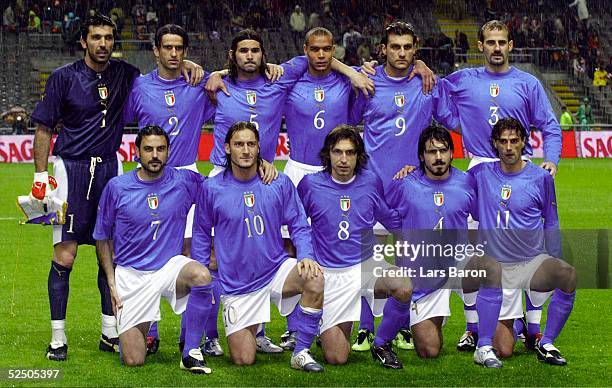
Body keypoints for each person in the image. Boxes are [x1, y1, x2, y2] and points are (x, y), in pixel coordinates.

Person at [29, 13, 202, 361]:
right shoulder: (63, 78)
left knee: (111, 252)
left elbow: (165, 71)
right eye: (96, 37)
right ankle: (58, 337)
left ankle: (110, 331)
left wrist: (189, 63)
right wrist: (39, 175)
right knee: (66, 253)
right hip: (70, 170)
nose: (103, 43)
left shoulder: (126, 75)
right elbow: (44, 128)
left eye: (109, 37)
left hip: (111, 168)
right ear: (84, 41)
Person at [443, 20, 562, 349]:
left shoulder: (528, 83)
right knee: (471, 256)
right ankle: (472, 325)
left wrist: (551, 158)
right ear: (480, 46)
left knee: (525, 251)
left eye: (502, 42)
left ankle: (531, 325)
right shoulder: (464, 79)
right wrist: (463, 126)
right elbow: (435, 94)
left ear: (511, 45)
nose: (496, 47)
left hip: (518, 170)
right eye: (490, 42)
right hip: (480, 172)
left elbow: (549, 125)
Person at [351, 21, 457, 352]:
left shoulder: (427, 83)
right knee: (367, 255)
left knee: (410, 257)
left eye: (408, 47)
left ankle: (403, 324)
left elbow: (452, 120)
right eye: (394, 46)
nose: (401, 53)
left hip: (412, 187)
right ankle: (366, 326)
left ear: (416, 49)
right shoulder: (368, 82)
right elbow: (349, 115)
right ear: (383, 49)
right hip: (372, 183)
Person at [191, 122, 325, 372]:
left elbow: (298, 223)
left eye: (251, 144)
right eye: (239, 144)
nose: (245, 150)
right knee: (243, 358)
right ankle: (250, 329)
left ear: (259, 148)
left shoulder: (278, 183)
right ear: (227, 148)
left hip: (275, 271)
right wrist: (202, 272)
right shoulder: (212, 188)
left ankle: (301, 352)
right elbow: (200, 232)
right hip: (238, 285)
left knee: (314, 276)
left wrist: (306, 255)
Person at [94, 125, 213, 373]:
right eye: (148, 149)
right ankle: (144, 327)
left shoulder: (184, 181)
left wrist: (261, 166)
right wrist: (112, 283)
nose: (155, 155)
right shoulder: (117, 187)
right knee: (134, 359)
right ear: (137, 151)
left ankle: (190, 351)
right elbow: (102, 237)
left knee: (201, 275)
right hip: (132, 275)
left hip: (170, 268)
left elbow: (221, 187)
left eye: (161, 149)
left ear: (169, 151)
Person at [387, 125, 504, 367]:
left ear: (452, 153)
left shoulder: (468, 182)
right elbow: (383, 214)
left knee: (490, 268)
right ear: (421, 156)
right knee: (429, 350)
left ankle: (483, 345)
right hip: (425, 268)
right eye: (431, 152)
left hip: (458, 258)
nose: (438, 157)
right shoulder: (404, 184)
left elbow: (484, 217)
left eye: (443, 150)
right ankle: (435, 316)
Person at [298, 125, 412, 369]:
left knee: (402, 285)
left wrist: (413, 183)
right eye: (337, 152)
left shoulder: (370, 182)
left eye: (350, 153)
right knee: (337, 358)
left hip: (366, 265)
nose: (343, 159)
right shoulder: (310, 185)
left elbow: (389, 216)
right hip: (330, 273)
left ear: (358, 156)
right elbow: (296, 223)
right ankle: (323, 325)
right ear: (328, 154)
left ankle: (382, 343)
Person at [469, 118, 576, 366]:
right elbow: (446, 178)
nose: (509, 147)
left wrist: (555, 257)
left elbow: (551, 220)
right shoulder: (480, 174)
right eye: (503, 141)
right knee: (505, 350)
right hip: (497, 266)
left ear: (524, 142)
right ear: (495, 144)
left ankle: (547, 342)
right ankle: (485, 345)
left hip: (531, 263)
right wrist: (413, 170)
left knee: (567, 275)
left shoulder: (541, 178)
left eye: (514, 141)